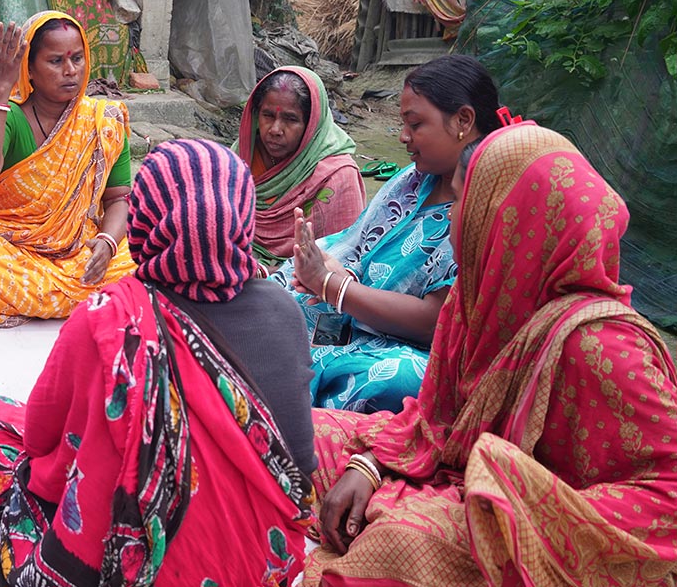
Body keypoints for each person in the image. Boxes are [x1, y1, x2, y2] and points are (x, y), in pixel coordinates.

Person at [307, 121, 677, 585]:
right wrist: (371, 464)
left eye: (462, 200)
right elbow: (434, 421)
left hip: (519, 525)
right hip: (450, 474)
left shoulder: (601, 344)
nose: (450, 216)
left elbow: (666, 495)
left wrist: (513, 498)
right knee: (304, 434)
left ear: (506, 216)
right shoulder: (477, 302)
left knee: (398, 543)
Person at [0, 140, 317, 586]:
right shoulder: (285, 309)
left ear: (144, 224)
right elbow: (298, 460)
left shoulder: (107, 318)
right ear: (243, 217)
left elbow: (44, 435)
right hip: (261, 556)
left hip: (131, 564)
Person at [272, 54, 501, 413]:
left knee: (399, 378)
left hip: (414, 348)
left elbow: (434, 323)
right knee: (273, 309)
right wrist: (331, 269)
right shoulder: (411, 181)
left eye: (416, 124)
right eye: (403, 123)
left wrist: (334, 286)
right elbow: (358, 242)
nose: (403, 137)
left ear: (464, 120)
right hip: (355, 314)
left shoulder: (485, 204)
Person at [0, 11, 137, 329]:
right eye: (56, 61)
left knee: (145, 257)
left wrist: (107, 243)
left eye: (78, 59)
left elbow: (119, 198)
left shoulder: (104, 120)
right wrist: (0, 87)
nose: (71, 71)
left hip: (79, 251)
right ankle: (82, 299)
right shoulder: (10, 115)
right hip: (11, 250)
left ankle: (53, 298)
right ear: (30, 68)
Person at [237, 66, 364, 268]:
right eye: (268, 115)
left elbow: (345, 257)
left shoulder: (337, 176)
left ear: (311, 124)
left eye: (291, 119)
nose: (275, 129)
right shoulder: (241, 157)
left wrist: (265, 273)